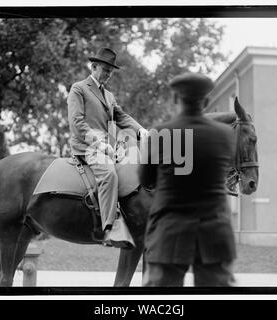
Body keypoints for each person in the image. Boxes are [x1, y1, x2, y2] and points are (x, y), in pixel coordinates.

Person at [139, 72, 237, 286]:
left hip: (168, 234)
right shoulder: (225, 135)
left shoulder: (159, 133)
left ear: (175, 99)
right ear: (207, 101)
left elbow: (146, 179)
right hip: (215, 235)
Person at [67, 47, 147, 247]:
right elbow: (77, 122)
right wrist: (100, 143)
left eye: (111, 72)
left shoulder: (109, 96)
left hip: (108, 147)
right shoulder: (79, 88)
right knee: (109, 174)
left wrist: (141, 131)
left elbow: (121, 117)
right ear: (93, 67)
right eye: (105, 70)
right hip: (86, 146)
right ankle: (111, 229)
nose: (108, 75)